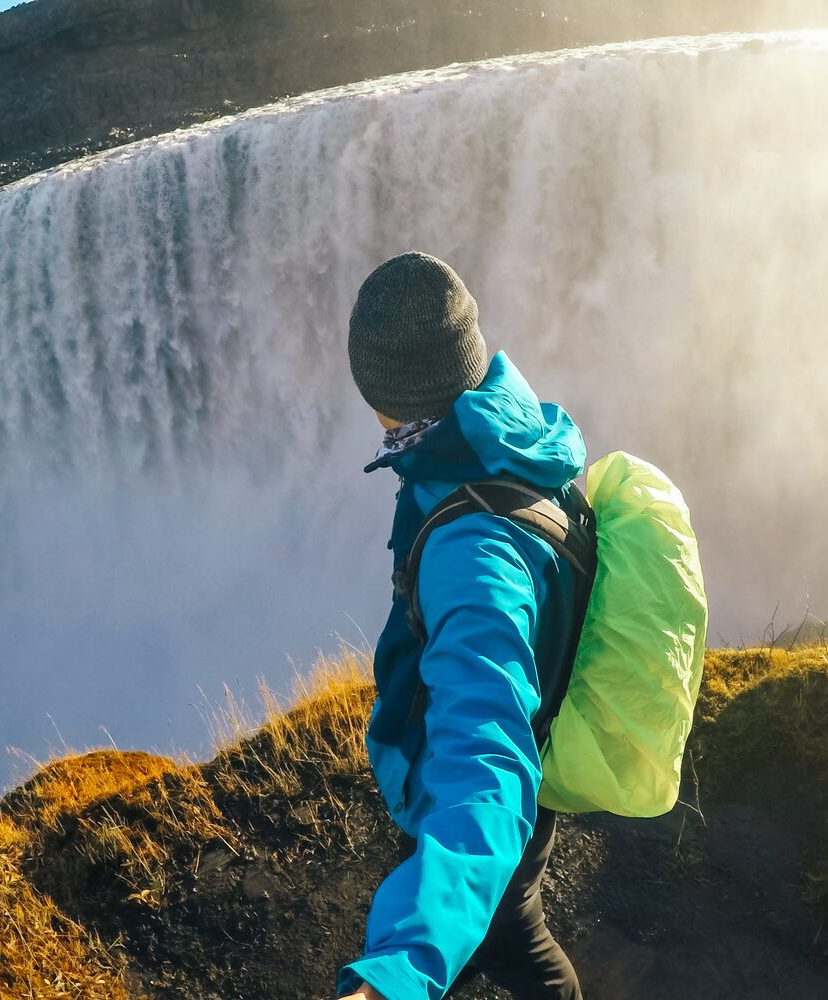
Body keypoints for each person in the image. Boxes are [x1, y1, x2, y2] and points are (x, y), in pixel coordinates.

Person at [334, 252, 587, 1000]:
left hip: (483, 794)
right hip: (536, 754)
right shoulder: (514, 440)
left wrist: (396, 975)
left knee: (509, 930)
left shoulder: (473, 553)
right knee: (517, 930)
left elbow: (482, 770)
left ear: (379, 391)